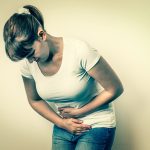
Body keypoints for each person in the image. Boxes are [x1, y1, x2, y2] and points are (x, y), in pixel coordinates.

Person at [3, 5, 124, 150]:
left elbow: (115, 89)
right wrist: (61, 123)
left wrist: (80, 112)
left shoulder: (80, 51)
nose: (30, 61)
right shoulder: (29, 63)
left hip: (96, 124)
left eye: (31, 54)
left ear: (42, 35)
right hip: (64, 125)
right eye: (25, 58)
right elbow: (34, 100)